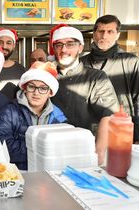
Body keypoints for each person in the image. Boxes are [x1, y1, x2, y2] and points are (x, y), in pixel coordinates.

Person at [49, 24, 119, 165]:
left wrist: (98, 155)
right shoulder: (46, 76)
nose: (64, 50)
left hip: (85, 151)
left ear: (80, 48)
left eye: (70, 44)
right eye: (59, 45)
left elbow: (108, 115)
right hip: (50, 149)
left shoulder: (96, 77)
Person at [80, 15, 139, 144]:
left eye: (110, 32)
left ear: (117, 35)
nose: (104, 36)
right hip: (88, 133)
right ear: (94, 33)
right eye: (101, 31)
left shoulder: (131, 62)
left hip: (121, 131)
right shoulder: (81, 63)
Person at [0, 61, 67, 170]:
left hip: (49, 172)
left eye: (43, 88)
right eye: (32, 87)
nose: (36, 93)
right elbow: (3, 145)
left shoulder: (59, 116)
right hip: (17, 172)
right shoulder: (9, 112)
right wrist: (42, 148)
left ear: (50, 92)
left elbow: (62, 149)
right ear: (24, 88)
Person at [0, 28, 26, 100]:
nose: (4, 46)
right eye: (0, 42)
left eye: (8, 43)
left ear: (14, 46)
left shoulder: (21, 69)